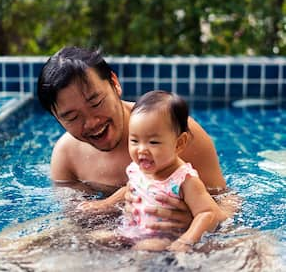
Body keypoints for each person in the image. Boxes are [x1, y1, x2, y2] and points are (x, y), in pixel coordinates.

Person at [37, 46, 227, 231]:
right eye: (72, 117)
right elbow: (78, 224)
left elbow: (227, 201)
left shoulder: (174, 134)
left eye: (96, 102)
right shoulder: (66, 157)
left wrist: (196, 221)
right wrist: (109, 207)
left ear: (115, 83)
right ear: (57, 118)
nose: (91, 122)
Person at [77, 90, 229, 252]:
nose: (142, 150)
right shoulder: (139, 169)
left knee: (144, 249)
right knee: (91, 239)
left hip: (164, 237)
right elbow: (129, 189)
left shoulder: (184, 180)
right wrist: (105, 204)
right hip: (131, 230)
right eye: (135, 140)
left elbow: (207, 213)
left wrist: (186, 240)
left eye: (153, 142)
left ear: (179, 143)